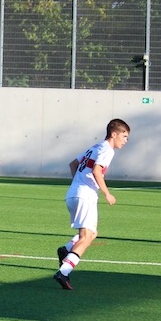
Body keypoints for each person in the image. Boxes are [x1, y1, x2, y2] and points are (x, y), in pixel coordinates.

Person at [53, 118, 131, 290]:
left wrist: (78, 184)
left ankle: (66, 250)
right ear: (114, 134)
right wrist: (107, 193)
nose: (126, 140)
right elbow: (97, 170)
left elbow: (73, 164)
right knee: (86, 237)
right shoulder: (108, 150)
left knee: (92, 233)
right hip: (85, 196)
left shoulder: (95, 147)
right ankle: (64, 272)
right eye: (124, 136)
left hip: (73, 194)